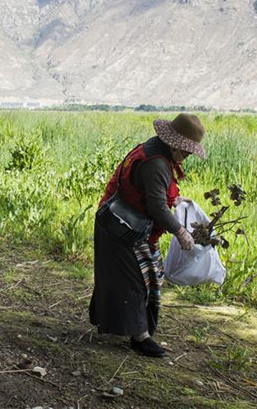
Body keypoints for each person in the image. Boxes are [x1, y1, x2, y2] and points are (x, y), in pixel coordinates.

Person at [89, 113, 206, 358]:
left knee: (129, 280)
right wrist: (180, 231)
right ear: (174, 143)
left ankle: (130, 328)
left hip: (123, 224)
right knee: (135, 283)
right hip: (121, 229)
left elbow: (153, 194)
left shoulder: (155, 151)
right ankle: (140, 337)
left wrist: (177, 199)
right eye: (186, 150)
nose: (187, 156)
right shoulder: (156, 163)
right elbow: (156, 207)